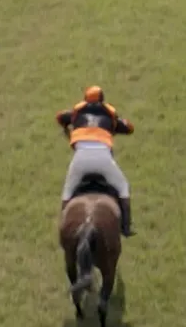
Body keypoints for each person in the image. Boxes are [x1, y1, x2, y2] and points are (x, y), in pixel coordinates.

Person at [56, 85, 137, 237]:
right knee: (123, 187)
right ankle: (126, 227)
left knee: (67, 192)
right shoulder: (109, 114)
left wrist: (67, 126)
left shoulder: (76, 112)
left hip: (80, 159)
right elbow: (129, 128)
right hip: (103, 159)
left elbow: (59, 117)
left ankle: (63, 228)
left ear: (85, 100)